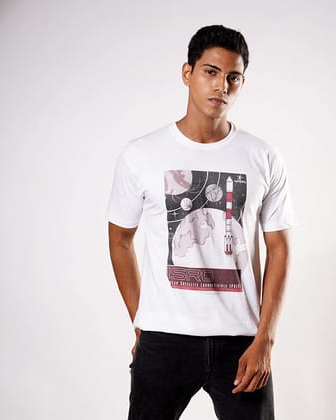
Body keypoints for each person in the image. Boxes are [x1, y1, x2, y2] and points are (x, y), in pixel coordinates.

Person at [106, 24, 299, 420]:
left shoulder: (262, 157)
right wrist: (142, 321)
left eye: (233, 77)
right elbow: (120, 239)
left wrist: (265, 339)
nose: (221, 86)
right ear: (187, 73)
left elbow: (279, 248)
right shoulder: (141, 154)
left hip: (242, 342)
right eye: (210, 72)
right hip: (164, 339)